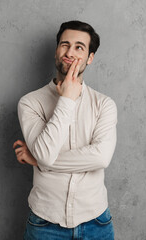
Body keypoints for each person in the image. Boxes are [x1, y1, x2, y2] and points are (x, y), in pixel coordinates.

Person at [13, 20, 117, 239]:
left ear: (90, 58)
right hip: (44, 224)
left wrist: (39, 160)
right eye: (64, 45)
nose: (70, 52)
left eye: (79, 47)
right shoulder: (30, 103)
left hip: (96, 223)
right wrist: (67, 99)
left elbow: (101, 158)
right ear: (56, 51)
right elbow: (45, 154)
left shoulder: (104, 104)